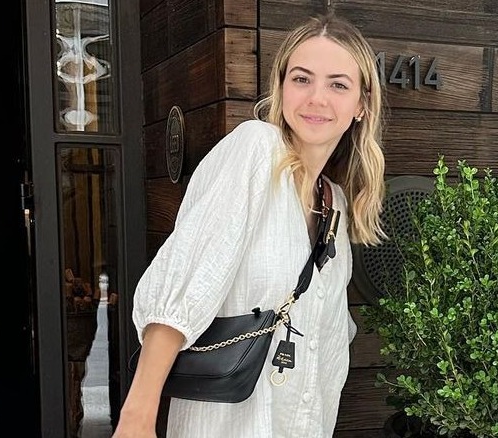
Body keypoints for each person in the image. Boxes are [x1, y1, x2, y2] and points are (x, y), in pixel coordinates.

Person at [113, 13, 385, 438]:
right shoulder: (256, 150)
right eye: (301, 79)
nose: (317, 98)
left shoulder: (335, 203)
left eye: (338, 84)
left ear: (361, 105)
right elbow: (185, 281)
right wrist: (137, 419)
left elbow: (326, 346)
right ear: (281, 88)